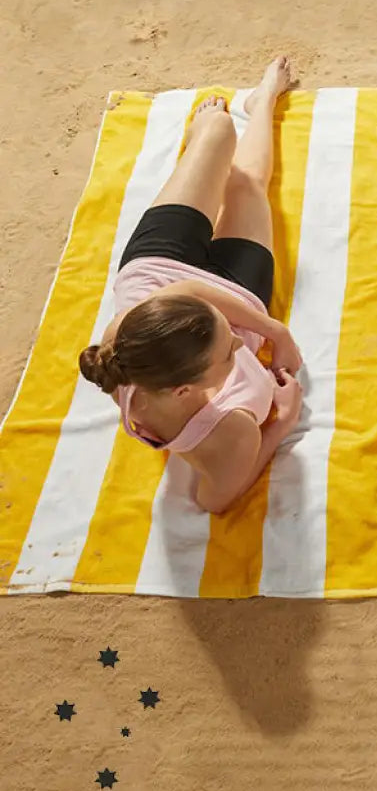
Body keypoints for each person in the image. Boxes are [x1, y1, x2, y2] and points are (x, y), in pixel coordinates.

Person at [79, 56, 303, 516]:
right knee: (245, 184)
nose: (240, 350)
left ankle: (209, 135)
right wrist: (282, 422)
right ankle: (263, 103)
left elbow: (190, 294)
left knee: (218, 128)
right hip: (238, 287)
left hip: (156, 266)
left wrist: (275, 332)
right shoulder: (228, 429)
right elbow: (215, 500)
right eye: (230, 353)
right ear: (187, 390)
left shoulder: (125, 341)